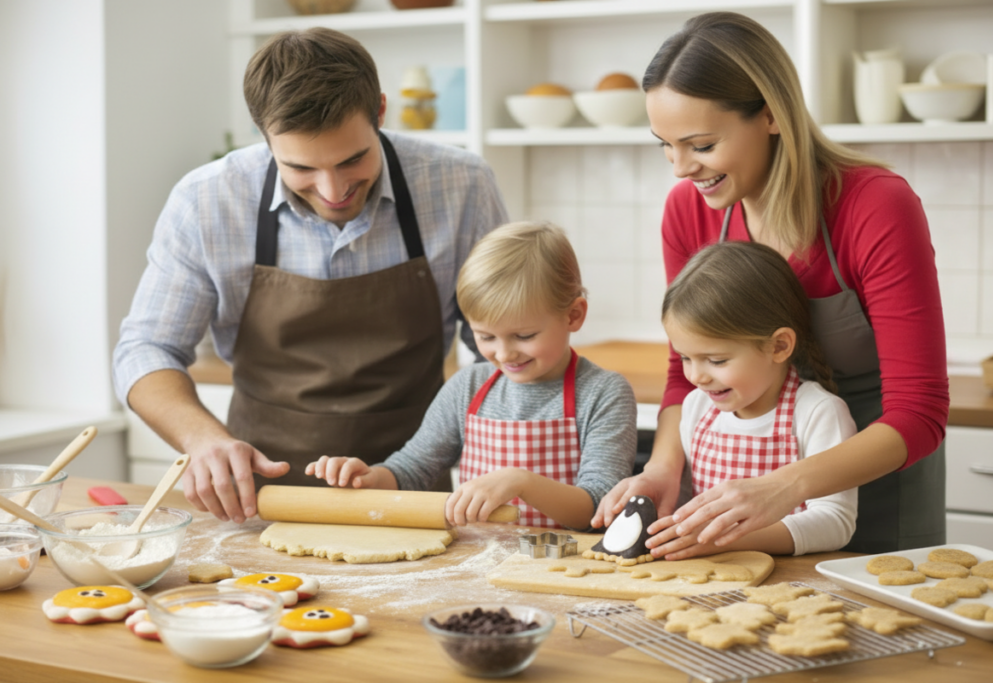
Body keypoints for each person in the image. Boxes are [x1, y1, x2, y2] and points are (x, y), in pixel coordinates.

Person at [113, 28, 508, 524]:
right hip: (258, 501)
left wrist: (502, 452)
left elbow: (498, 342)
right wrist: (203, 440)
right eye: (301, 168)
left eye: (353, 159)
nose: (334, 189)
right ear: (263, 135)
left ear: (380, 110)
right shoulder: (206, 201)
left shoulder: (461, 185)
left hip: (413, 494)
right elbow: (145, 349)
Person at [593, 11, 948, 555]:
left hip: (877, 482)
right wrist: (664, 468)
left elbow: (919, 411)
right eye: (665, 145)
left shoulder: (874, 205)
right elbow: (680, 370)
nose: (680, 168)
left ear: (772, 116)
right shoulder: (689, 212)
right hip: (739, 508)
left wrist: (785, 486)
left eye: (702, 145)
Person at [306, 221, 638, 530]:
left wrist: (520, 481)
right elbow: (412, 470)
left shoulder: (603, 393)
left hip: (561, 572)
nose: (504, 354)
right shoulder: (469, 386)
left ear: (574, 315)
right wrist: (368, 478)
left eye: (524, 336)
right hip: (476, 567)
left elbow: (597, 508)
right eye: (486, 337)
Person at [647, 241, 857, 558]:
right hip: (708, 578)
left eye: (716, 361)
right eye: (685, 358)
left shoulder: (818, 412)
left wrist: (732, 539)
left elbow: (835, 521)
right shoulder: (697, 407)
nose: (696, 376)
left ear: (779, 346)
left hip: (791, 583)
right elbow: (693, 503)